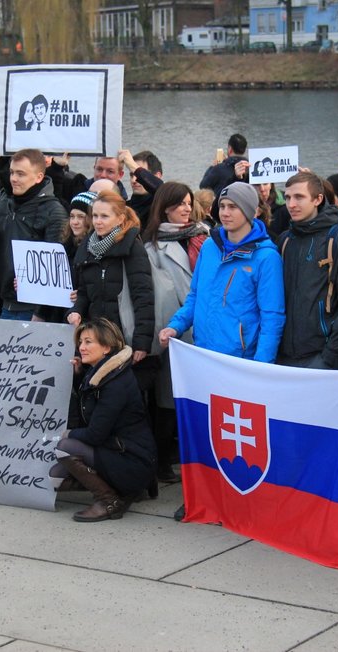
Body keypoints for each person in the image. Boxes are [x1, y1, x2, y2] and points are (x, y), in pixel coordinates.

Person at [159, 182, 285, 363]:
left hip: (240, 360)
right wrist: (176, 326)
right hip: (203, 352)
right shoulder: (209, 246)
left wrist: (261, 366)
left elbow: (272, 317)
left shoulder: (266, 257)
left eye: (233, 207)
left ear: (250, 211)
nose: (225, 213)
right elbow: (195, 295)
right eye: (222, 206)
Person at [49, 318, 156, 522]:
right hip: (118, 451)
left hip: (131, 459)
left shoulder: (115, 383)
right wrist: (79, 377)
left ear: (106, 347)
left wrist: (68, 433)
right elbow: (91, 413)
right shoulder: (102, 373)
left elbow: (95, 434)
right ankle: (123, 491)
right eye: (80, 342)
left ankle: (110, 501)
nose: (82, 347)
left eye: (88, 342)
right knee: (55, 479)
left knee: (65, 446)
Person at [143, 181, 209, 481]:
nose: (186, 208)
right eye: (179, 203)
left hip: (205, 330)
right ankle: (160, 459)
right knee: (168, 400)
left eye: (188, 202)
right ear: (165, 207)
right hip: (175, 332)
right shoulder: (152, 247)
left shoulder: (205, 237)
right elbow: (162, 293)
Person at [0, 148, 67, 321]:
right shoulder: (5, 205)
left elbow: (55, 271)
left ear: (39, 177)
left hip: (33, 310)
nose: (14, 179)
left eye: (21, 174)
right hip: (7, 302)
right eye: (12, 173)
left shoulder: (54, 212)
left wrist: (40, 313)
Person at [277, 171, 338, 369]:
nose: (291, 204)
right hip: (283, 352)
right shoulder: (286, 240)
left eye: (299, 197)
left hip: (320, 353)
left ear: (318, 199)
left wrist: (331, 353)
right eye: (288, 197)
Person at [67, 191, 154, 362]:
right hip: (96, 335)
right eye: (95, 216)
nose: (98, 221)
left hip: (122, 335)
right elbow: (84, 292)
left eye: (105, 216)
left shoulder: (132, 247)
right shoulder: (87, 248)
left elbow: (143, 296)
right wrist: (75, 310)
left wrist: (142, 342)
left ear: (120, 219)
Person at [119, 149, 163, 227]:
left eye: (138, 174)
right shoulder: (124, 207)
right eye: (131, 175)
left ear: (157, 176)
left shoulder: (161, 206)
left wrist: (132, 165)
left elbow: (162, 189)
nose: (134, 180)